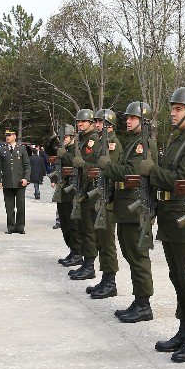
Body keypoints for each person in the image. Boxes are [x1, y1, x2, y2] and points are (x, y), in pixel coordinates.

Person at [137, 89, 185, 363]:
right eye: (173, 108)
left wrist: (152, 171)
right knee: (177, 277)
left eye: (179, 109)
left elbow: (183, 179)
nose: (173, 113)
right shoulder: (179, 139)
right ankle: (183, 328)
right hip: (171, 217)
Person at [102, 102, 156, 317]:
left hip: (136, 207)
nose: (128, 121)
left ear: (143, 121)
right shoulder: (134, 143)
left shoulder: (144, 144)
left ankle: (144, 304)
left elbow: (130, 172)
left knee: (138, 256)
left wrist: (107, 166)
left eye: (132, 118)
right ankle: (139, 300)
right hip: (126, 207)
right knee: (130, 254)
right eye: (127, 118)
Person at [84, 109, 123, 297]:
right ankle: (105, 278)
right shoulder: (102, 142)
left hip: (107, 197)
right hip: (98, 195)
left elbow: (110, 169)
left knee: (107, 241)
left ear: (110, 125)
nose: (97, 124)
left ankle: (111, 281)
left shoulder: (113, 143)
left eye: (100, 122)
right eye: (97, 122)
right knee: (100, 239)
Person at [68, 109, 98, 280]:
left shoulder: (93, 141)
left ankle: (90, 265)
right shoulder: (84, 139)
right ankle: (86, 263)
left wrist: (83, 164)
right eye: (78, 122)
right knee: (82, 227)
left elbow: (95, 167)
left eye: (83, 122)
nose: (80, 124)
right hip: (81, 188)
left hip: (89, 191)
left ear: (91, 123)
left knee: (88, 230)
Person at [53, 125, 82, 266]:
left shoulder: (75, 149)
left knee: (73, 224)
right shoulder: (62, 149)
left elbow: (74, 162)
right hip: (62, 191)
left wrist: (63, 154)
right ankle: (72, 250)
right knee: (64, 223)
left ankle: (77, 252)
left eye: (65, 137)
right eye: (61, 138)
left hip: (72, 191)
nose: (63, 140)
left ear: (72, 137)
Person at [0, 128, 31, 234]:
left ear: (15, 136)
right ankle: (10, 227)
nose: (7, 137)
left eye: (10, 135)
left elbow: (27, 165)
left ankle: (20, 226)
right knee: (9, 206)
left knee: (20, 206)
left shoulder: (22, 149)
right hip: (7, 182)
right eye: (6, 135)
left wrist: (26, 178)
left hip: (20, 182)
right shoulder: (2, 150)